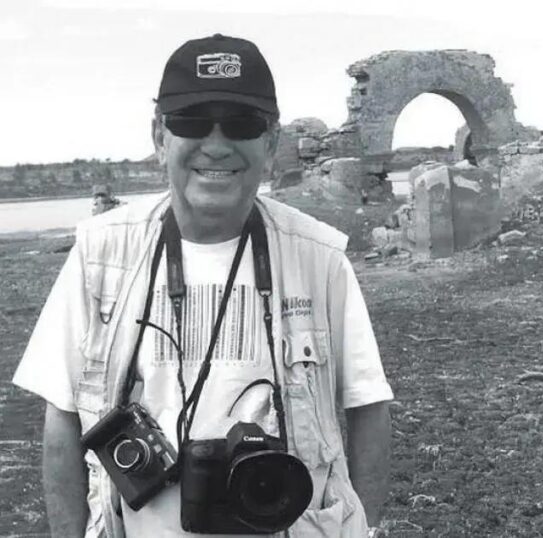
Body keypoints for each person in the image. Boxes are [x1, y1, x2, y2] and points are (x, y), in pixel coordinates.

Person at [12, 34, 393, 538]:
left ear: (271, 142)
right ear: (159, 135)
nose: (216, 145)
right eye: (191, 121)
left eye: (242, 123)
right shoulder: (99, 255)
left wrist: (358, 528)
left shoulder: (319, 259)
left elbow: (368, 406)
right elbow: (60, 418)